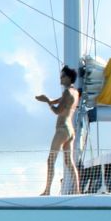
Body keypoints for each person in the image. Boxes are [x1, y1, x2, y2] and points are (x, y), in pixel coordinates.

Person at [36, 65, 81, 196]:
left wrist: (46, 102)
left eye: (62, 76)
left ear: (68, 78)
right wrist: (47, 99)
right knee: (69, 162)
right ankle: (77, 190)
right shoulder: (75, 92)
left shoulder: (67, 92)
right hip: (70, 130)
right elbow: (58, 101)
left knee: (51, 160)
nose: (60, 79)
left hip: (62, 129)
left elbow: (57, 110)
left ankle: (47, 190)